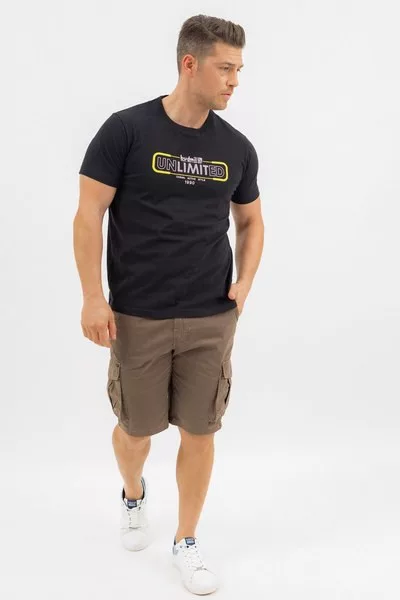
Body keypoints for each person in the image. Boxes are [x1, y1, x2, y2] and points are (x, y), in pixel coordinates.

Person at [73, 13, 264, 596]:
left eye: (239, 69)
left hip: (211, 316)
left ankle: (186, 539)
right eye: (225, 68)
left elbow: (251, 221)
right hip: (137, 315)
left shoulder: (236, 148)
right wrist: (92, 297)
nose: (235, 81)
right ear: (189, 64)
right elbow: (89, 215)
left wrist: (245, 282)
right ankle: (133, 494)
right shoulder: (126, 131)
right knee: (136, 430)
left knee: (201, 431)